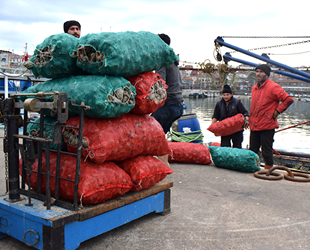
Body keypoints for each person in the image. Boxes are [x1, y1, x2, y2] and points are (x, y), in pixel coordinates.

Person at [249, 64, 294, 169]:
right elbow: (254, 107)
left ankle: (268, 172)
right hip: (254, 125)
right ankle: (251, 169)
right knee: (252, 150)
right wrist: (249, 120)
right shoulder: (254, 88)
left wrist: (277, 111)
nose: (258, 74)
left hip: (267, 125)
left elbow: (288, 99)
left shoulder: (274, 87)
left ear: (267, 74)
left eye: (261, 72)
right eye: (257, 71)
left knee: (266, 151)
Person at [151, 34, 184, 134]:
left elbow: (160, 85)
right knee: (162, 134)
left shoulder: (163, 61)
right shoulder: (173, 60)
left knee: (150, 129)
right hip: (178, 105)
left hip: (168, 106)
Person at [211, 84, 249, 148]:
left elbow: (245, 112)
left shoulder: (237, 102)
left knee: (237, 147)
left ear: (231, 94)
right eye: (224, 95)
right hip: (225, 130)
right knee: (225, 147)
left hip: (237, 130)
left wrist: (246, 120)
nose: (225, 97)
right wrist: (212, 125)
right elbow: (215, 116)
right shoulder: (219, 104)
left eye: (227, 95)